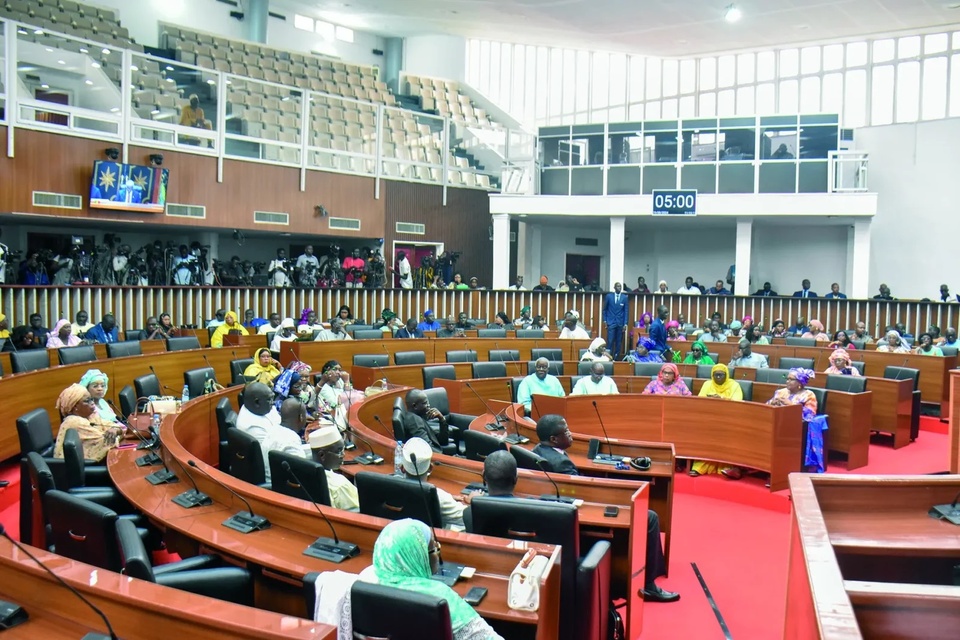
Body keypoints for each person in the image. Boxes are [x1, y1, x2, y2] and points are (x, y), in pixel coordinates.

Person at [531, 415, 678, 603]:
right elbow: (586, 491)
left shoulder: (538, 451)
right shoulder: (561, 463)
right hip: (576, 509)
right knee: (650, 517)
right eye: (566, 431)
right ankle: (648, 584)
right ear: (554, 439)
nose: (570, 434)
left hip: (555, 512)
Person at [365, 519, 506, 639]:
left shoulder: (366, 579)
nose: (437, 554)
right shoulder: (439, 596)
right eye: (434, 548)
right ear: (418, 557)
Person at [691, 364, 743, 478]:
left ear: (727, 375)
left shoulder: (734, 385)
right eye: (716, 375)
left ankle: (728, 467)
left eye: (721, 374)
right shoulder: (707, 384)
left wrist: (721, 399)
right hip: (709, 417)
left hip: (729, 418)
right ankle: (700, 467)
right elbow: (699, 401)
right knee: (702, 433)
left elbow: (738, 403)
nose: (718, 377)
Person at [401, 438, 465, 529]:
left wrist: (449, 496)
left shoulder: (389, 487)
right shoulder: (439, 497)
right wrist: (473, 500)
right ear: (430, 468)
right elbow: (467, 518)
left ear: (402, 468)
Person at [53, 383, 123, 462]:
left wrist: (115, 430)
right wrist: (116, 433)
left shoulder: (91, 415)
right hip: (80, 469)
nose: (92, 403)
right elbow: (107, 442)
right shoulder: (74, 422)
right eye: (87, 401)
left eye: (91, 399)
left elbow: (113, 426)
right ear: (75, 406)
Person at [308, 426, 360, 512]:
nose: (343, 455)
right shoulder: (340, 485)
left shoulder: (302, 471)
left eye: (343, 449)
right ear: (322, 455)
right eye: (339, 451)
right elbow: (360, 510)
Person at [603, 282, 629, 358]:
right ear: (614, 287)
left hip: (620, 323)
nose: (619, 288)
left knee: (619, 342)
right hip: (611, 322)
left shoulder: (624, 297)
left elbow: (626, 311)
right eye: (617, 286)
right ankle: (608, 357)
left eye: (620, 286)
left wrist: (625, 324)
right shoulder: (609, 296)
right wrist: (605, 320)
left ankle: (616, 358)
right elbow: (604, 309)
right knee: (610, 341)